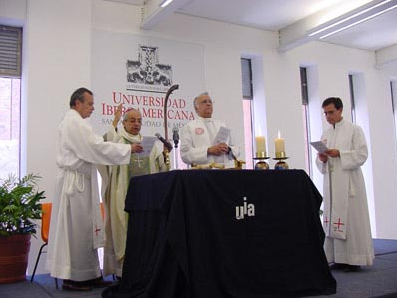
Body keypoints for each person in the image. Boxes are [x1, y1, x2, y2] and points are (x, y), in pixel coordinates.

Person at [46, 88, 136, 291]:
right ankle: (73, 278)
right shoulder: (73, 122)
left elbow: (96, 144)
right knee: (77, 231)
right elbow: (95, 147)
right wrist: (126, 149)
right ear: (77, 103)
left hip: (83, 182)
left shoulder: (79, 123)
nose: (93, 108)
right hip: (75, 185)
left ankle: (89, 274)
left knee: (88, 229)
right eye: (90, 104)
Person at [102, 105, 166, 277]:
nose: (136, 124)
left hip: (146, 198)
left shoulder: (149, 143)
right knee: (124, 229)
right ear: (124, 123)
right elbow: (105, 149)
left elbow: (161, 166)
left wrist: (164, 156)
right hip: (123, 195)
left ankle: (145, 269)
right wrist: (113, 122)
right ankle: (123, 271)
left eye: (139, 121)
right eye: (132, 120)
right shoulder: (118, 141)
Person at [316, 97, 374, 272]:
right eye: (325, 113)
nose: (328, 116)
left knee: (351, 220)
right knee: (334, 220)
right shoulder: (326, 134)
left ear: (340, 110)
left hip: (350, 185)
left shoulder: (354, 130)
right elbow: (321, 163)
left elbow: (362, 154)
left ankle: (354, 259)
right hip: (332, 185)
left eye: (331, 112)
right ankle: (338, 259)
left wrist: (340, 154)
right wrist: (323, 159)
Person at [180, 92, 239, 167]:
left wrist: (228, 150)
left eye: (210, 102)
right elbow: (185, 154)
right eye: (204, 102)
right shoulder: (189, 127)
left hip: (223, 172)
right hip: (202, 173)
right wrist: (208, 151)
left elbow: (236, 148)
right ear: (196, 108)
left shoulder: (222, 125)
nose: (208, 104)